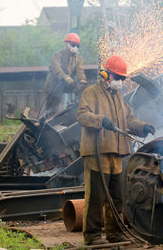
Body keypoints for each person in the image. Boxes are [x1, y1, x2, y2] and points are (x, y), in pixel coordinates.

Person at [76, 55, 155, 245]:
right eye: (118, 78)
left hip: (116, 153)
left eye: (122, 79)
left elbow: (129, 119)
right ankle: (93, 236)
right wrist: (99, 120)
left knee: (116, 197)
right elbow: (81, 115)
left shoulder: (118, 97)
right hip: (97, 153)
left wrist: (143, 126)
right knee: (96, 196)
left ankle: (115, 233)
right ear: (106, 75)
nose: (120, 82)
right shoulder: (91, 92)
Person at [43, 33, 87, 117]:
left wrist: (82, 81)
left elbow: (80, 72)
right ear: (67, 44)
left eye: (77, 46)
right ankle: (49, 119)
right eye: (73, 45)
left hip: (67, 83)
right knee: (53, 105)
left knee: (81, 89)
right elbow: (56, 68)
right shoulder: (58, 55)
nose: (75, 47)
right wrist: (65, 76)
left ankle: (79, 109)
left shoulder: (78, 59)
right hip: (54, 84)